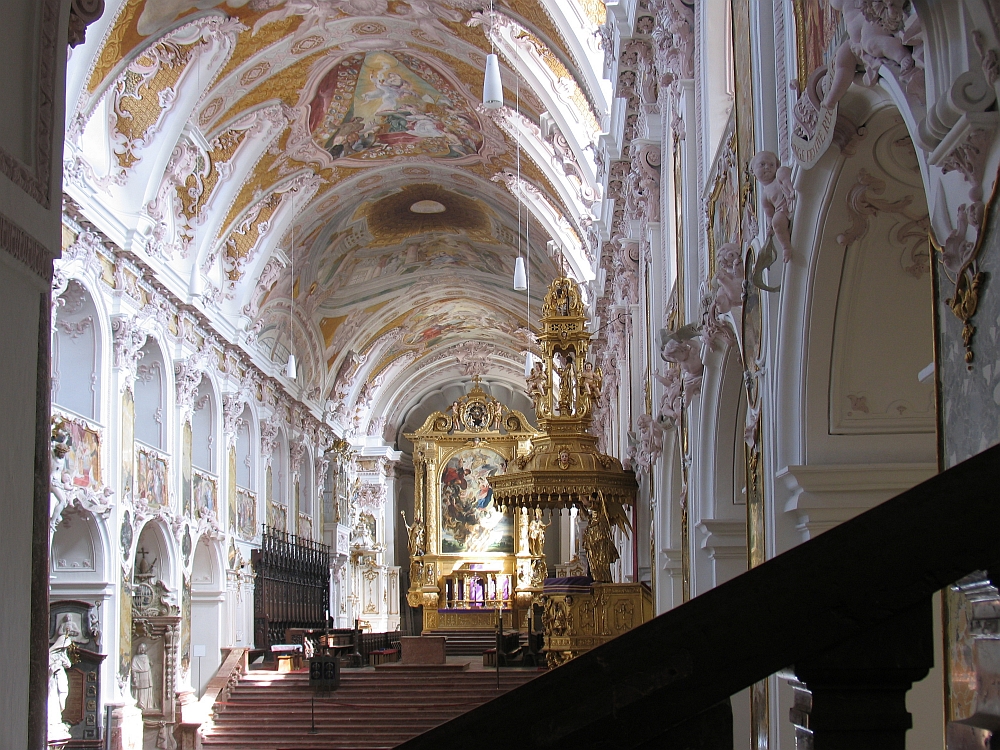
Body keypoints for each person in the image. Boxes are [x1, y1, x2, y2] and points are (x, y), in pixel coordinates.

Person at [132, 643, 154, 711]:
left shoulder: (146, 657)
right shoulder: (135, 657)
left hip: (146, 676)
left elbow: (147, 667)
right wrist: (134, 677)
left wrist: (150, 664)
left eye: (144, 648)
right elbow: (133, 668)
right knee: (140, 691)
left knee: (146, 690)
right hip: (139, 676)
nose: (142, 649)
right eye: (141, 648)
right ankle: (140, 704)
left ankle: (146, 704)